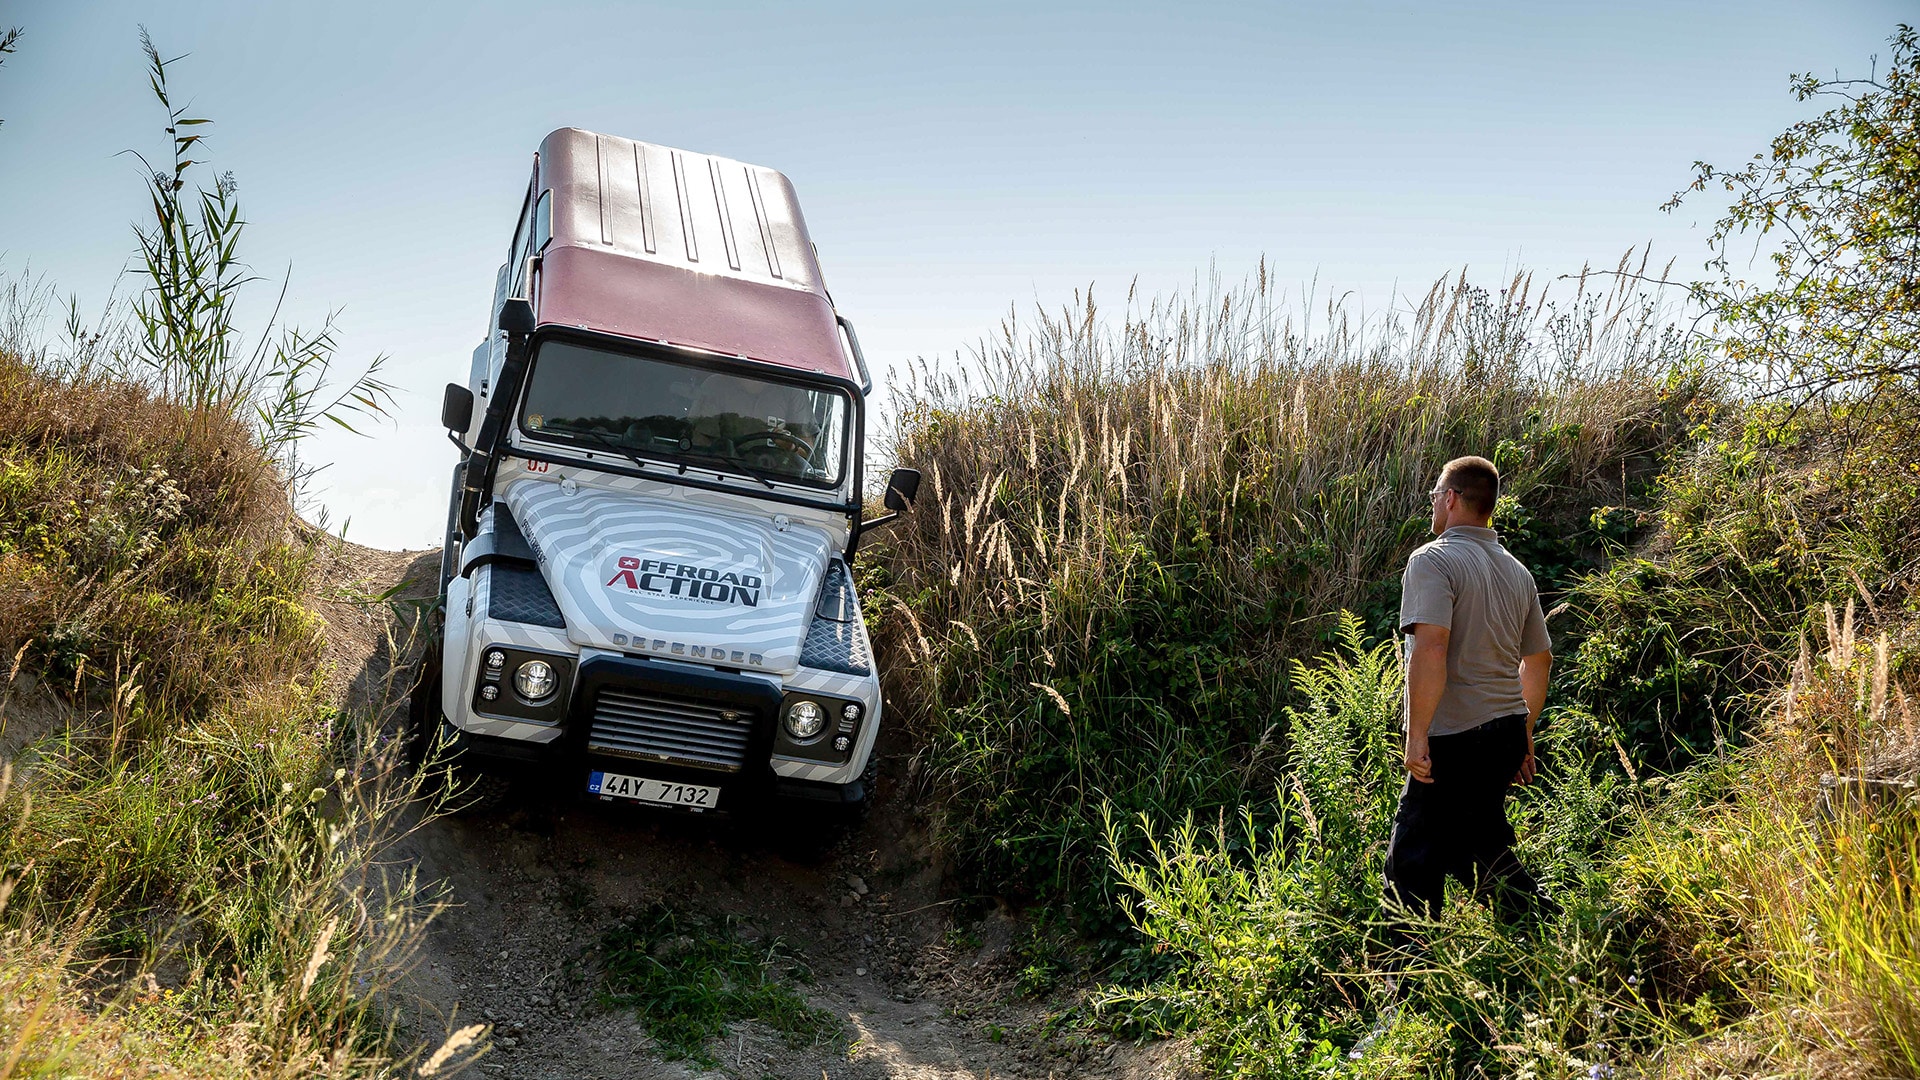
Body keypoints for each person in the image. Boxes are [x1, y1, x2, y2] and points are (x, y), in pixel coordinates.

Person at [1382, 455, 1553, 943]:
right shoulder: (1517, 572)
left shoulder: (1432, 560)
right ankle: (1543, 931)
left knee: (1412, 861)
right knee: (1475, 842)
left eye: (1435, 495)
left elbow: (1431, 649)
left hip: (1455, 738)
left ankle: (1406, 990)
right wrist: (1522, 733)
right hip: (1502, 734)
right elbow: (1538, 660)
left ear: (1452, 498)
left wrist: (1417, 736)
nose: (1433, 504)